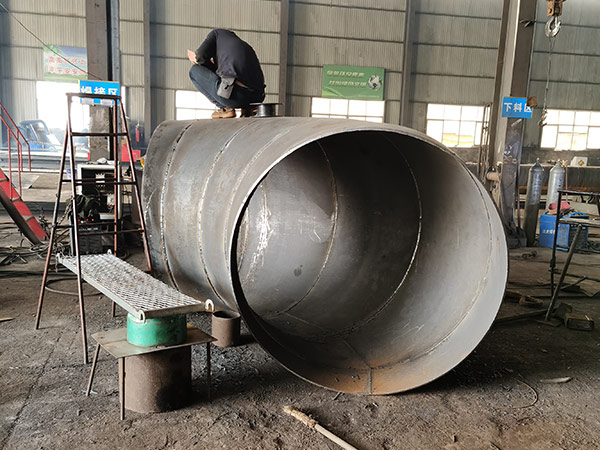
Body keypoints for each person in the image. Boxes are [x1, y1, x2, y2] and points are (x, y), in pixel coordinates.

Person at [187, 29, 265, 119]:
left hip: (235, 97)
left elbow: (201, 56)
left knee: (194, 71)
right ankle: (248, 110)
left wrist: (195, 59)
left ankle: (226, 109)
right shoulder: (243, 47)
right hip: (257, 99)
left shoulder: (216, 34)